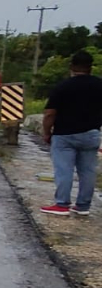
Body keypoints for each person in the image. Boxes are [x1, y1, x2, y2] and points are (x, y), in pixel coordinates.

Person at [40, 50, 102, 216]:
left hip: (65, 134)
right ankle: (83, 206)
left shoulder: (63, 86)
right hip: (91, 134)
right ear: (91, 67)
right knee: (88, 171)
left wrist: (46, 132)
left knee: (64, 170)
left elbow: (50, 113)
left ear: (72, 66)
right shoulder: (99, 84)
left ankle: (62, 204)